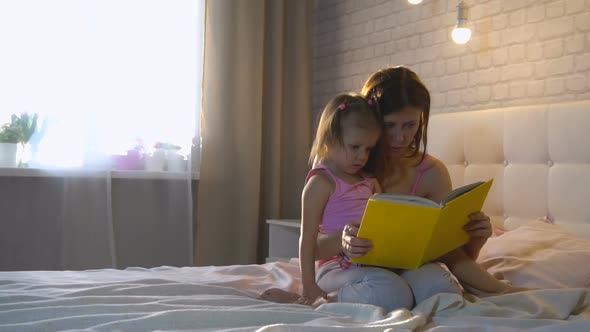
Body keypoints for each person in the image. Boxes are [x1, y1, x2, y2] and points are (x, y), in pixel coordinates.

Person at [316, 66, 529, 298]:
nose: (400, 138)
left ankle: (498, 290)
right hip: (346, 269)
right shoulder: (341, 164)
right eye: (389, 126)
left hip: (406, 267)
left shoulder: (431, 173)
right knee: (388, 294)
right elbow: (312, 248)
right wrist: (345, 240)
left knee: (441, 290)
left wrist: (476, 240)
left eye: (410, 125)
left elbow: (449, 254)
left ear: (422, 120)